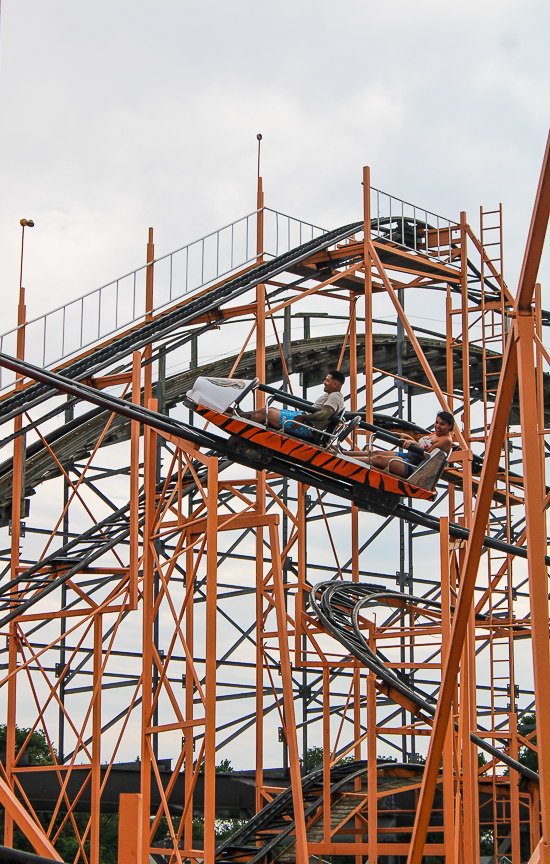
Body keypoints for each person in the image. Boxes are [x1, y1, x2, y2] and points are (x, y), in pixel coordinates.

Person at [242, 371, 345, 440]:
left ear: (335, 384)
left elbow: (325, 414)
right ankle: (240, 415)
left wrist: (304, 418)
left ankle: (239, 419)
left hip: (306, 426)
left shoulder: (335, 396)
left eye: (327, 380)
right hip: (304, 419)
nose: (324, 382)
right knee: (268, 409)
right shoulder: (332, 395)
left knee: (266, 413)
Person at [348, 411, 454, 478]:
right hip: (409, 456)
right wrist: (409, 438)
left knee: (377, 459)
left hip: (415, 467)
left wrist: (413, 444)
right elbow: (422, 445)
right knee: (376, 452)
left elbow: (426, 457)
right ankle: (343, 454)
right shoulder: (437, 434)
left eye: (442, 424)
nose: (437, 426)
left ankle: (347, 461)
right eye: (437, 422)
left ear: (450, 426)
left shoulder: (446, 440)